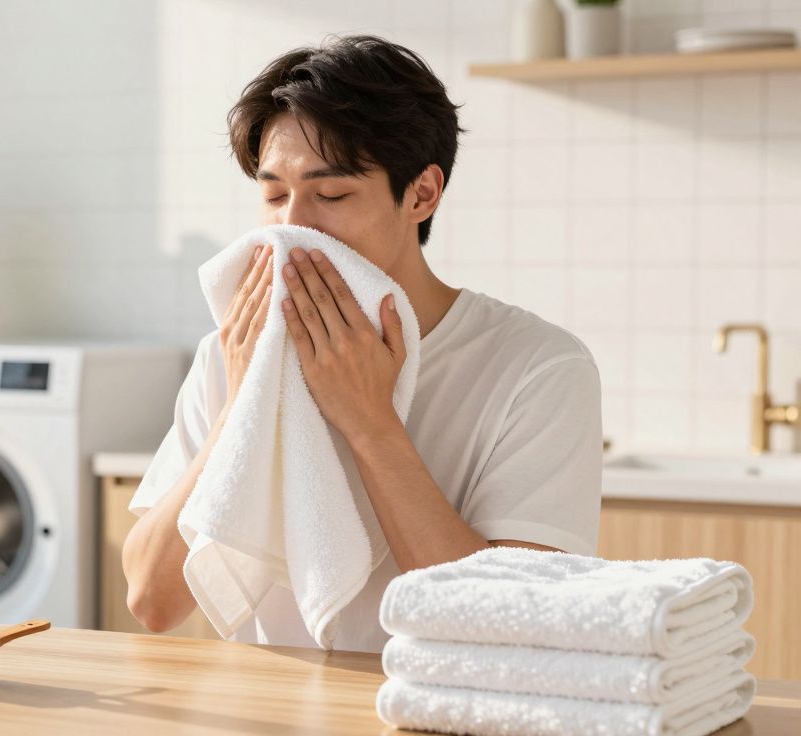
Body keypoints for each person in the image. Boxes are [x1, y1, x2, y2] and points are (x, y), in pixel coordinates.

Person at [120, 34, 603, 652]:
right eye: (273, 195)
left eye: (332, 195)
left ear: (422, 194)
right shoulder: (238, 349)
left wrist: (371, 423)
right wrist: (243, 406)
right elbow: (151, 601)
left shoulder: (538, 368)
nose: (292, 226)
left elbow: (510, 628)